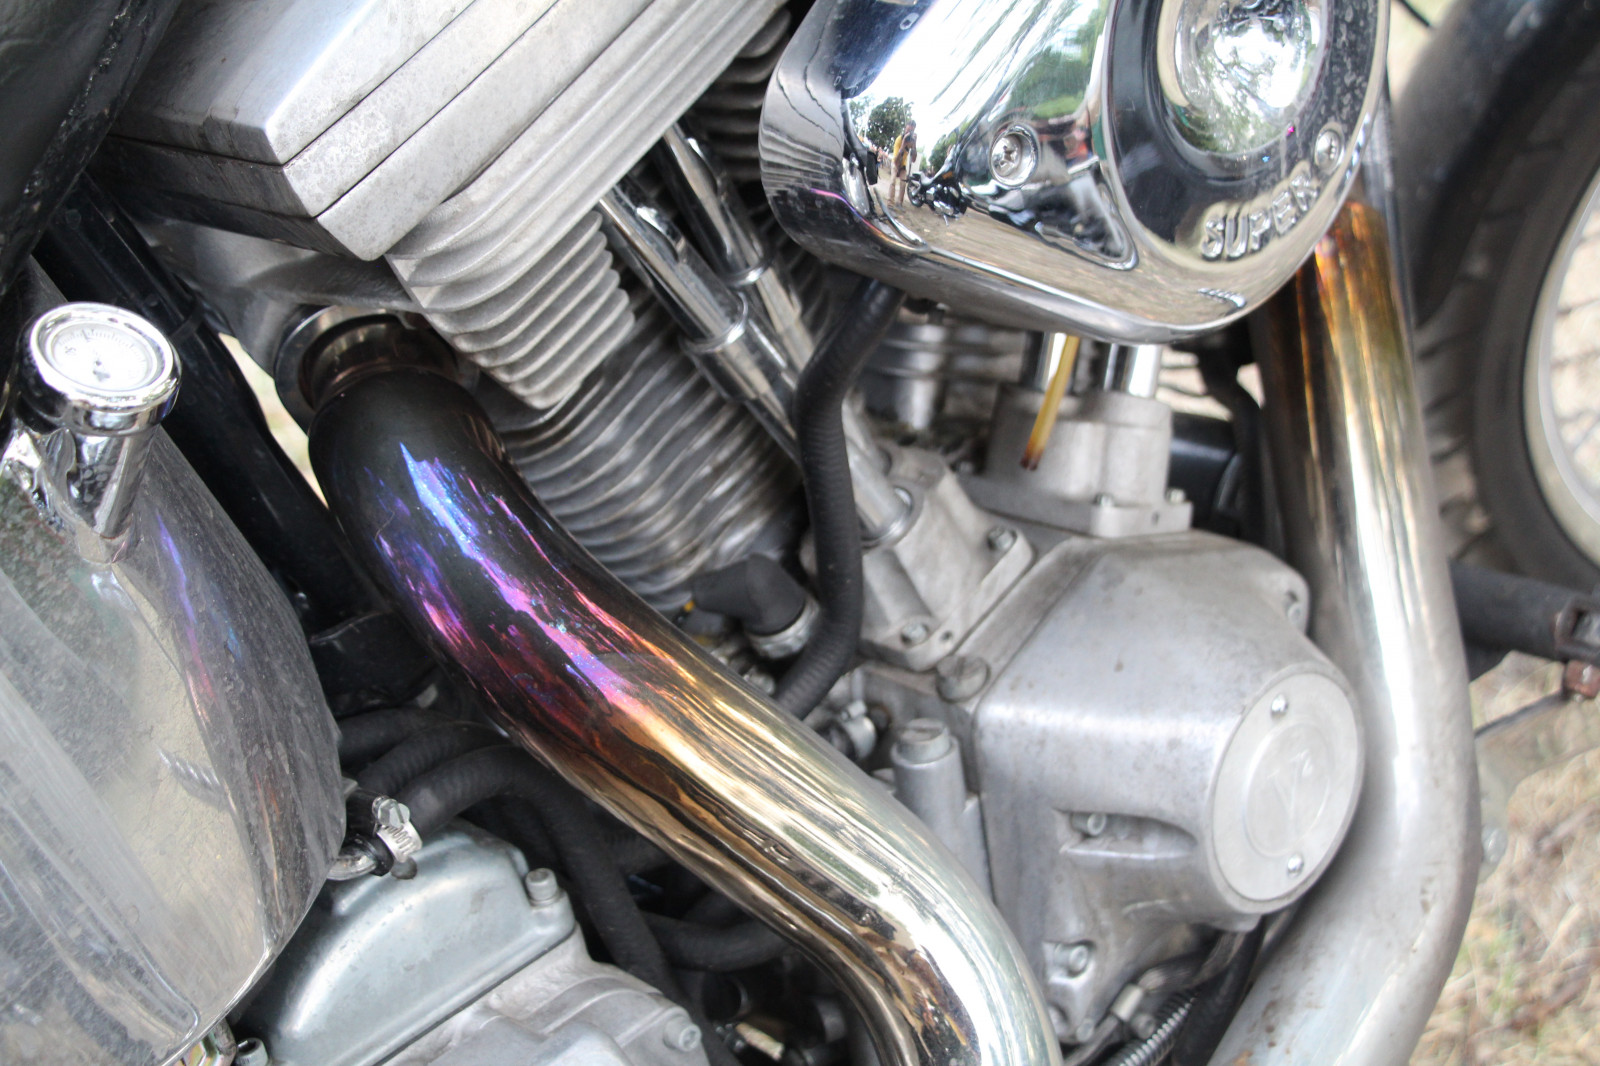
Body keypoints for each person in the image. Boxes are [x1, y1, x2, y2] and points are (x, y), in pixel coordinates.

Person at [890, 120, 918, 208]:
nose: (909, 133)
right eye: (908, 130)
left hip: (903, 165)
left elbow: (913, 159)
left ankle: (899, 203)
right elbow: (896, 161)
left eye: (911, 131)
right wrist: (903, 145)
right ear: (905, 128)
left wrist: (914, 144)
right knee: (892, 181)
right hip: (895, 163)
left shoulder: (911, 142)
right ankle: (890, 204)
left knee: (903, 183)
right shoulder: (899, 139)